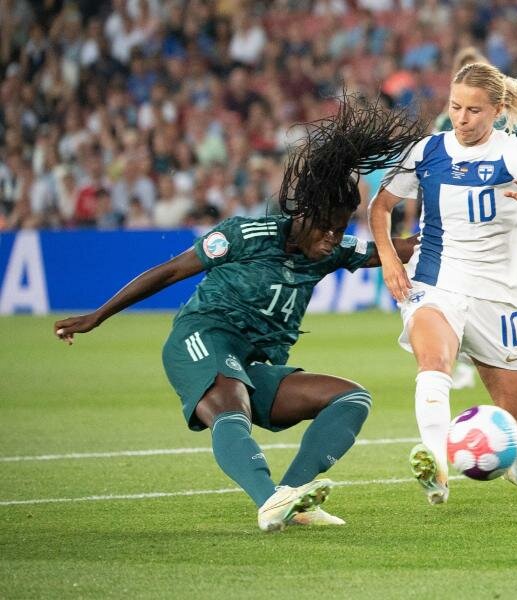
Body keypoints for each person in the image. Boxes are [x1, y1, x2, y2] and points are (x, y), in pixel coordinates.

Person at [54, 97, 425, 532]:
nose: (333, 237)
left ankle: (291, 498)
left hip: (251, 364)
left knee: (351, 399)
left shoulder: (332, 251)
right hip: (202, 338)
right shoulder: (245, 235)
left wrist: (457, 229)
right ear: (303, 213)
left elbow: (399, 249)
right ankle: (268, 501)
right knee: (231, 405)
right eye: (326, 226)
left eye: (341, 228)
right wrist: (98, 316)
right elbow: (170, 271)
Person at [369, 62, 517, 508]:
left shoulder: (514, 154)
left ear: (497, 111)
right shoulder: (427, 151)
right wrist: (388, 258)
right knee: (434, 361)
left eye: (474, 110)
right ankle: (436, 466)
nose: (461, 119)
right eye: (455, 107)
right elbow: (381, 206)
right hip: (436, 279)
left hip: (498, 296)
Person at [433, 49, 517, 391]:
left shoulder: (512, 131)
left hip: (503, 220)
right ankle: (452, 363)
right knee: (447, 298)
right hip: (456, 223)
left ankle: (485, 354)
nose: (463, 115)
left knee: (492, 296)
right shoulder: (444, 124)